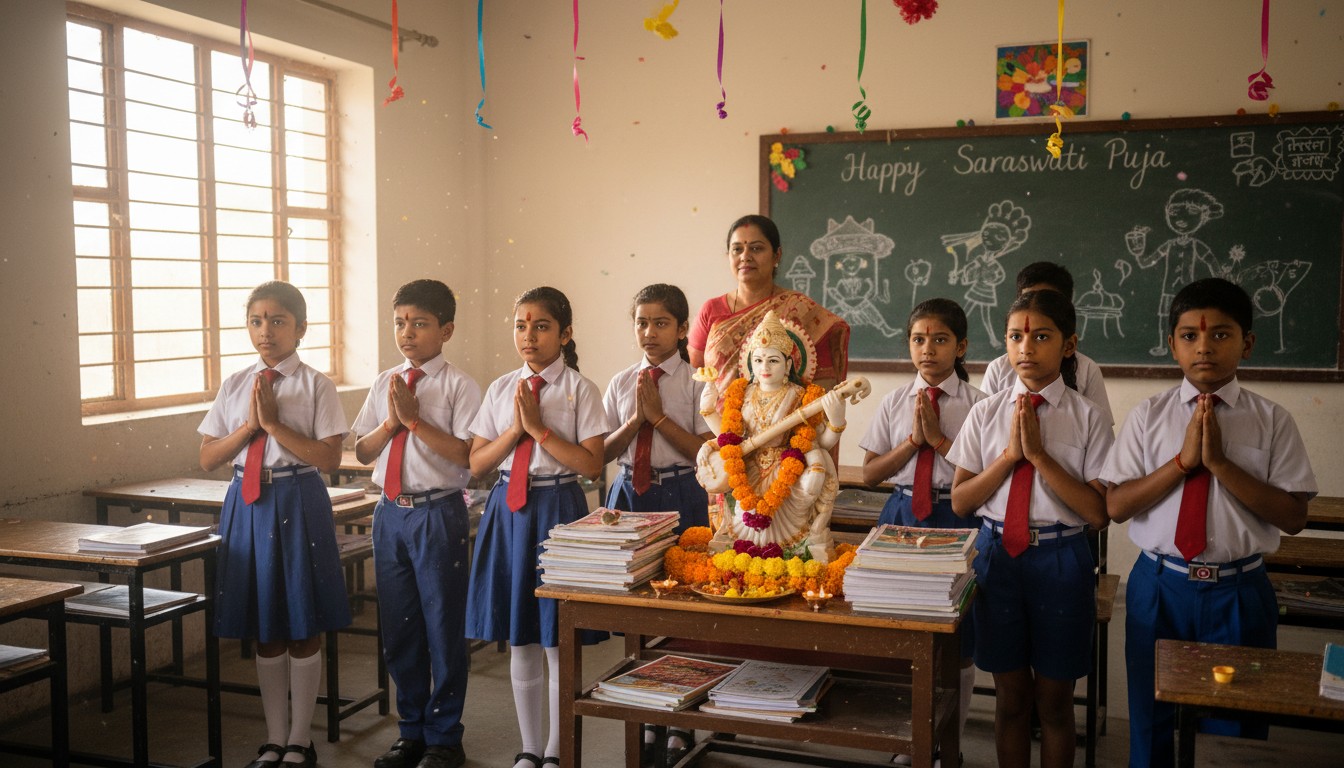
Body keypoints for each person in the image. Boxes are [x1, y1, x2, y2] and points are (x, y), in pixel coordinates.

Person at [1102, 278, 1316, 768]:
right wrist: (1182, 463)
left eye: (1221, 335)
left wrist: (1219, 464)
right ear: (1173, 344)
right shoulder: (1148, 417)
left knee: (1234, 729)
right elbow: (1116, 507)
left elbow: (1294, 516)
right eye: (1190, 336)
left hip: (1238, 591)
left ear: (1248, 343)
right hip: (1160, 585)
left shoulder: (1272, 420)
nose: (1204, 348)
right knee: (1151, 717)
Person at [947, 289, 1111, 768]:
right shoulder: (987, 412)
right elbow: (961, 501)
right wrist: (1010, 457)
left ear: (1068, 344)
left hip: (1061, 558)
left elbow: (1099, 513)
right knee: (1010, 700)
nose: (1026, 348)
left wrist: (1039, 456)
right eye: (1016, 336)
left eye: (1041, 336)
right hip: (999, 557)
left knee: (1056, 705)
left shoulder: (1088, 418)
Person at [198, 281, 348, 768]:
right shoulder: (236, 383)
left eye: (278, 321)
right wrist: (250, 426)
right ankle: (274, 737)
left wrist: (277, 426)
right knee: (266, 624)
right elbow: (207, 457)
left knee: (303, 620)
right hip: (249, 498)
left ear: (301, 329)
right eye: (256, 321)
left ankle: (300, 740)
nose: (266, 331)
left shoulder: (315, 384)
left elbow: (328, 457)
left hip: (298, 495)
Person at [465, 287, 608, 768]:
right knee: (520, 633)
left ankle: (555, 750)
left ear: (565, 334)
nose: (529, 336)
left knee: (555, 636)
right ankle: (529, 748)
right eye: (520, 325)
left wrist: (542, 431)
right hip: (509, 510)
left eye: (542, 326)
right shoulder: (501, 388)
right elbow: (478, 464)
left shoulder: (579, 389)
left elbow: (591, 464)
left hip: (558, 508)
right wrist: (517, 429)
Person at [351, 280, 481, 768]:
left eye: (420, 323)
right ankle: (411, 732)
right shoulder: (386, 380)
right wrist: (391, 422)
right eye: (400, 322)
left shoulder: (459, 385)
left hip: (437, 512)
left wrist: (415, 423)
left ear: (445, 330)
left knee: (443, 626)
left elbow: (470, 457)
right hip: (389, 515)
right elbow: (362, 450)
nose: (407, 332)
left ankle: (445, 735)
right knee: (400, 627)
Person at [858, 298, 984, 765]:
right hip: (903, 516)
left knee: (958, 640)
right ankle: (912, 739)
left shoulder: (979, 405)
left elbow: (988, 475)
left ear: (961, 346)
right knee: (904, 632)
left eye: (940, 339)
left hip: (958, 517)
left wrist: (940, 442)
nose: (927, 349)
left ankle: (945, 743)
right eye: (918, 339)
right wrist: (913, 442)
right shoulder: (894, 402)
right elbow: (871, 474)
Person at [601, 283, 714, 767]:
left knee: (681, 609)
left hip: (681, 491)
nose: (649, 332)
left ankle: (682, 721)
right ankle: (648, 714)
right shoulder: (620, 381)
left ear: (683, 328)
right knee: (638, 611)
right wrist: (636, 421)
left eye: (661, 323)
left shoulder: (697, 382)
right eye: (641, 322)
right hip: (629, 493)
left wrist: (660, 418)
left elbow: (706, 454)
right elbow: (600, 454)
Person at [695, 310, 852, 564]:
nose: (764, 367)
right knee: (743, 509)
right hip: (748, 468)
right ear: (750, 365)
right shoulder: (742, 394)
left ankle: (804, 540)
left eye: (773, 361)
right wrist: (708, 410)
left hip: (787, 468)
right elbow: (729, 438)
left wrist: (836, 421)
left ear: (788, 365)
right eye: (758, 361)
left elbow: (821, 443)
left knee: (816, 471)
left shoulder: (801, 395)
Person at [688, 214, 850, 399]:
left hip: (786, 423)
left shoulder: (800, 310)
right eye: (737, 249)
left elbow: (824, 382)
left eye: (756, 248)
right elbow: (694, 379)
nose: (745, 256)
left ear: (776, 256)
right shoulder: (711, 310)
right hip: (718, 425)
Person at [979, 261, 1112, 425]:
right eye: (1027, 299)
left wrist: (1036, 452)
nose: (1036, 306)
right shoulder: (998, 370)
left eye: (1048, 301)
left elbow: (1101, 432)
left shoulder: (1087, 372)